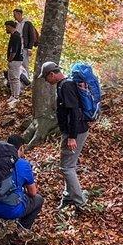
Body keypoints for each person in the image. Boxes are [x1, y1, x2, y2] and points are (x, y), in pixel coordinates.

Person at [42, 61, 91, 212]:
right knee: (68, 165)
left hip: (76, 131)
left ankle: (79, 201)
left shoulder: (66, 85)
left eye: (45, 77)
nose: (46, 81)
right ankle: (68, 196)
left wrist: (72, 136)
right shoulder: (64, 84)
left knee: (67, 167)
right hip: (73, 131)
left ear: (52, 74)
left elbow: (74, 112)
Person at [0, 135, 44, 228]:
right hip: (10, 210)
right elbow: (33, 193)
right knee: (38, 199)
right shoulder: (23, 164)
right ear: (21, 147)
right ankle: (22, 230)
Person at [14, 7, 40, 85]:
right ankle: (19, 81)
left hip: (25, 47)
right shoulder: (15, 24)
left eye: (15, 14)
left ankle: (27, 82)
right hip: (17, 47)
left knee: (25, 64)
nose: (14, 16)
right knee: (17, 64)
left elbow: (32, 36)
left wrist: (29, 48)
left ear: (19, 14)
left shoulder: (27, 23)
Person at [5, 19, 25, 103]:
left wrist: (10, 59)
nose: (6, 29)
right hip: (13, 60)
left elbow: (14, 50)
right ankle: (13, 95)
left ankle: (16, 96)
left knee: (15, 78)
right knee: (11, 78)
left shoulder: (16, 36)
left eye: (6, 27)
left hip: (15, 60)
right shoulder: (14, 35)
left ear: (10, 27)